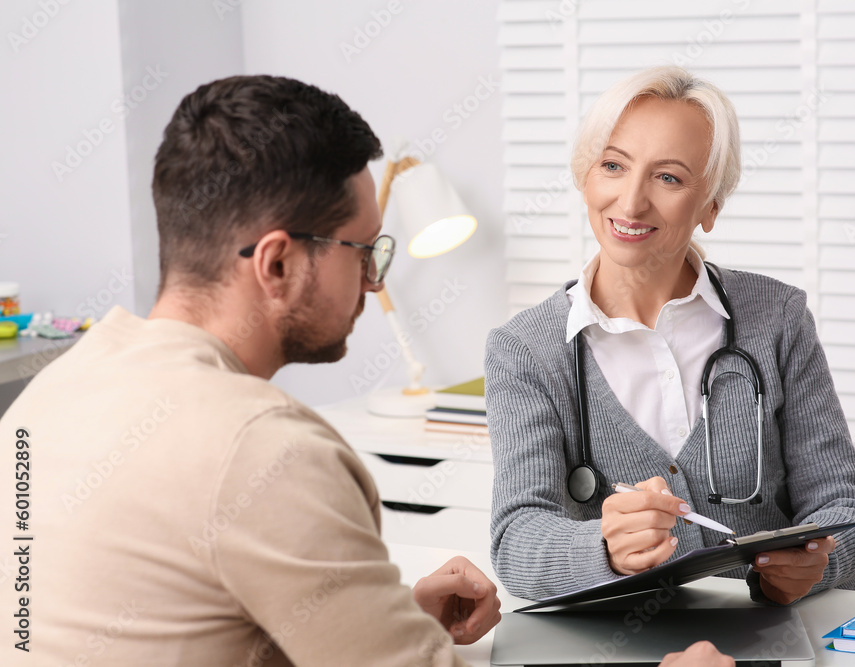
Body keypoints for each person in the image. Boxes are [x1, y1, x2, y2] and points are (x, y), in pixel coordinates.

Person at [0, 74, 732, 667]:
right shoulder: (265, 447)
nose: (375, 283)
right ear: (279, 263)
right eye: (363, 251)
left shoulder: (47, 399)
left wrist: (382, 619)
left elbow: (171, 624)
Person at [485, 66, 855, 604]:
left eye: (668, 177)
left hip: (763, 643)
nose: (629, 203)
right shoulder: (525, 350)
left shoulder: (778, 318)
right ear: (586, 178)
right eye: (612, 166)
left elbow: (847, 509)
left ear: (711, 206)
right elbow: (516, 541)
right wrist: (602, 550)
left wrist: (820, 561)